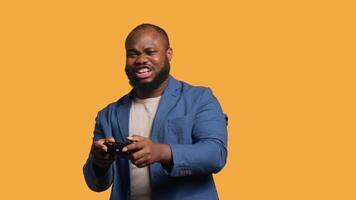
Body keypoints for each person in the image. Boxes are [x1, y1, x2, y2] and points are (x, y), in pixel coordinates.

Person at [83, 23, 228, 200]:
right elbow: (96, 184)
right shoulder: (108, 114)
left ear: (169, 54)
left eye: (150, 52)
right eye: (132, 54)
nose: (141, 60)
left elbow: (215, 154)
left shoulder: (199, 98)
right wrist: (99, 162)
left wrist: (162, 152)